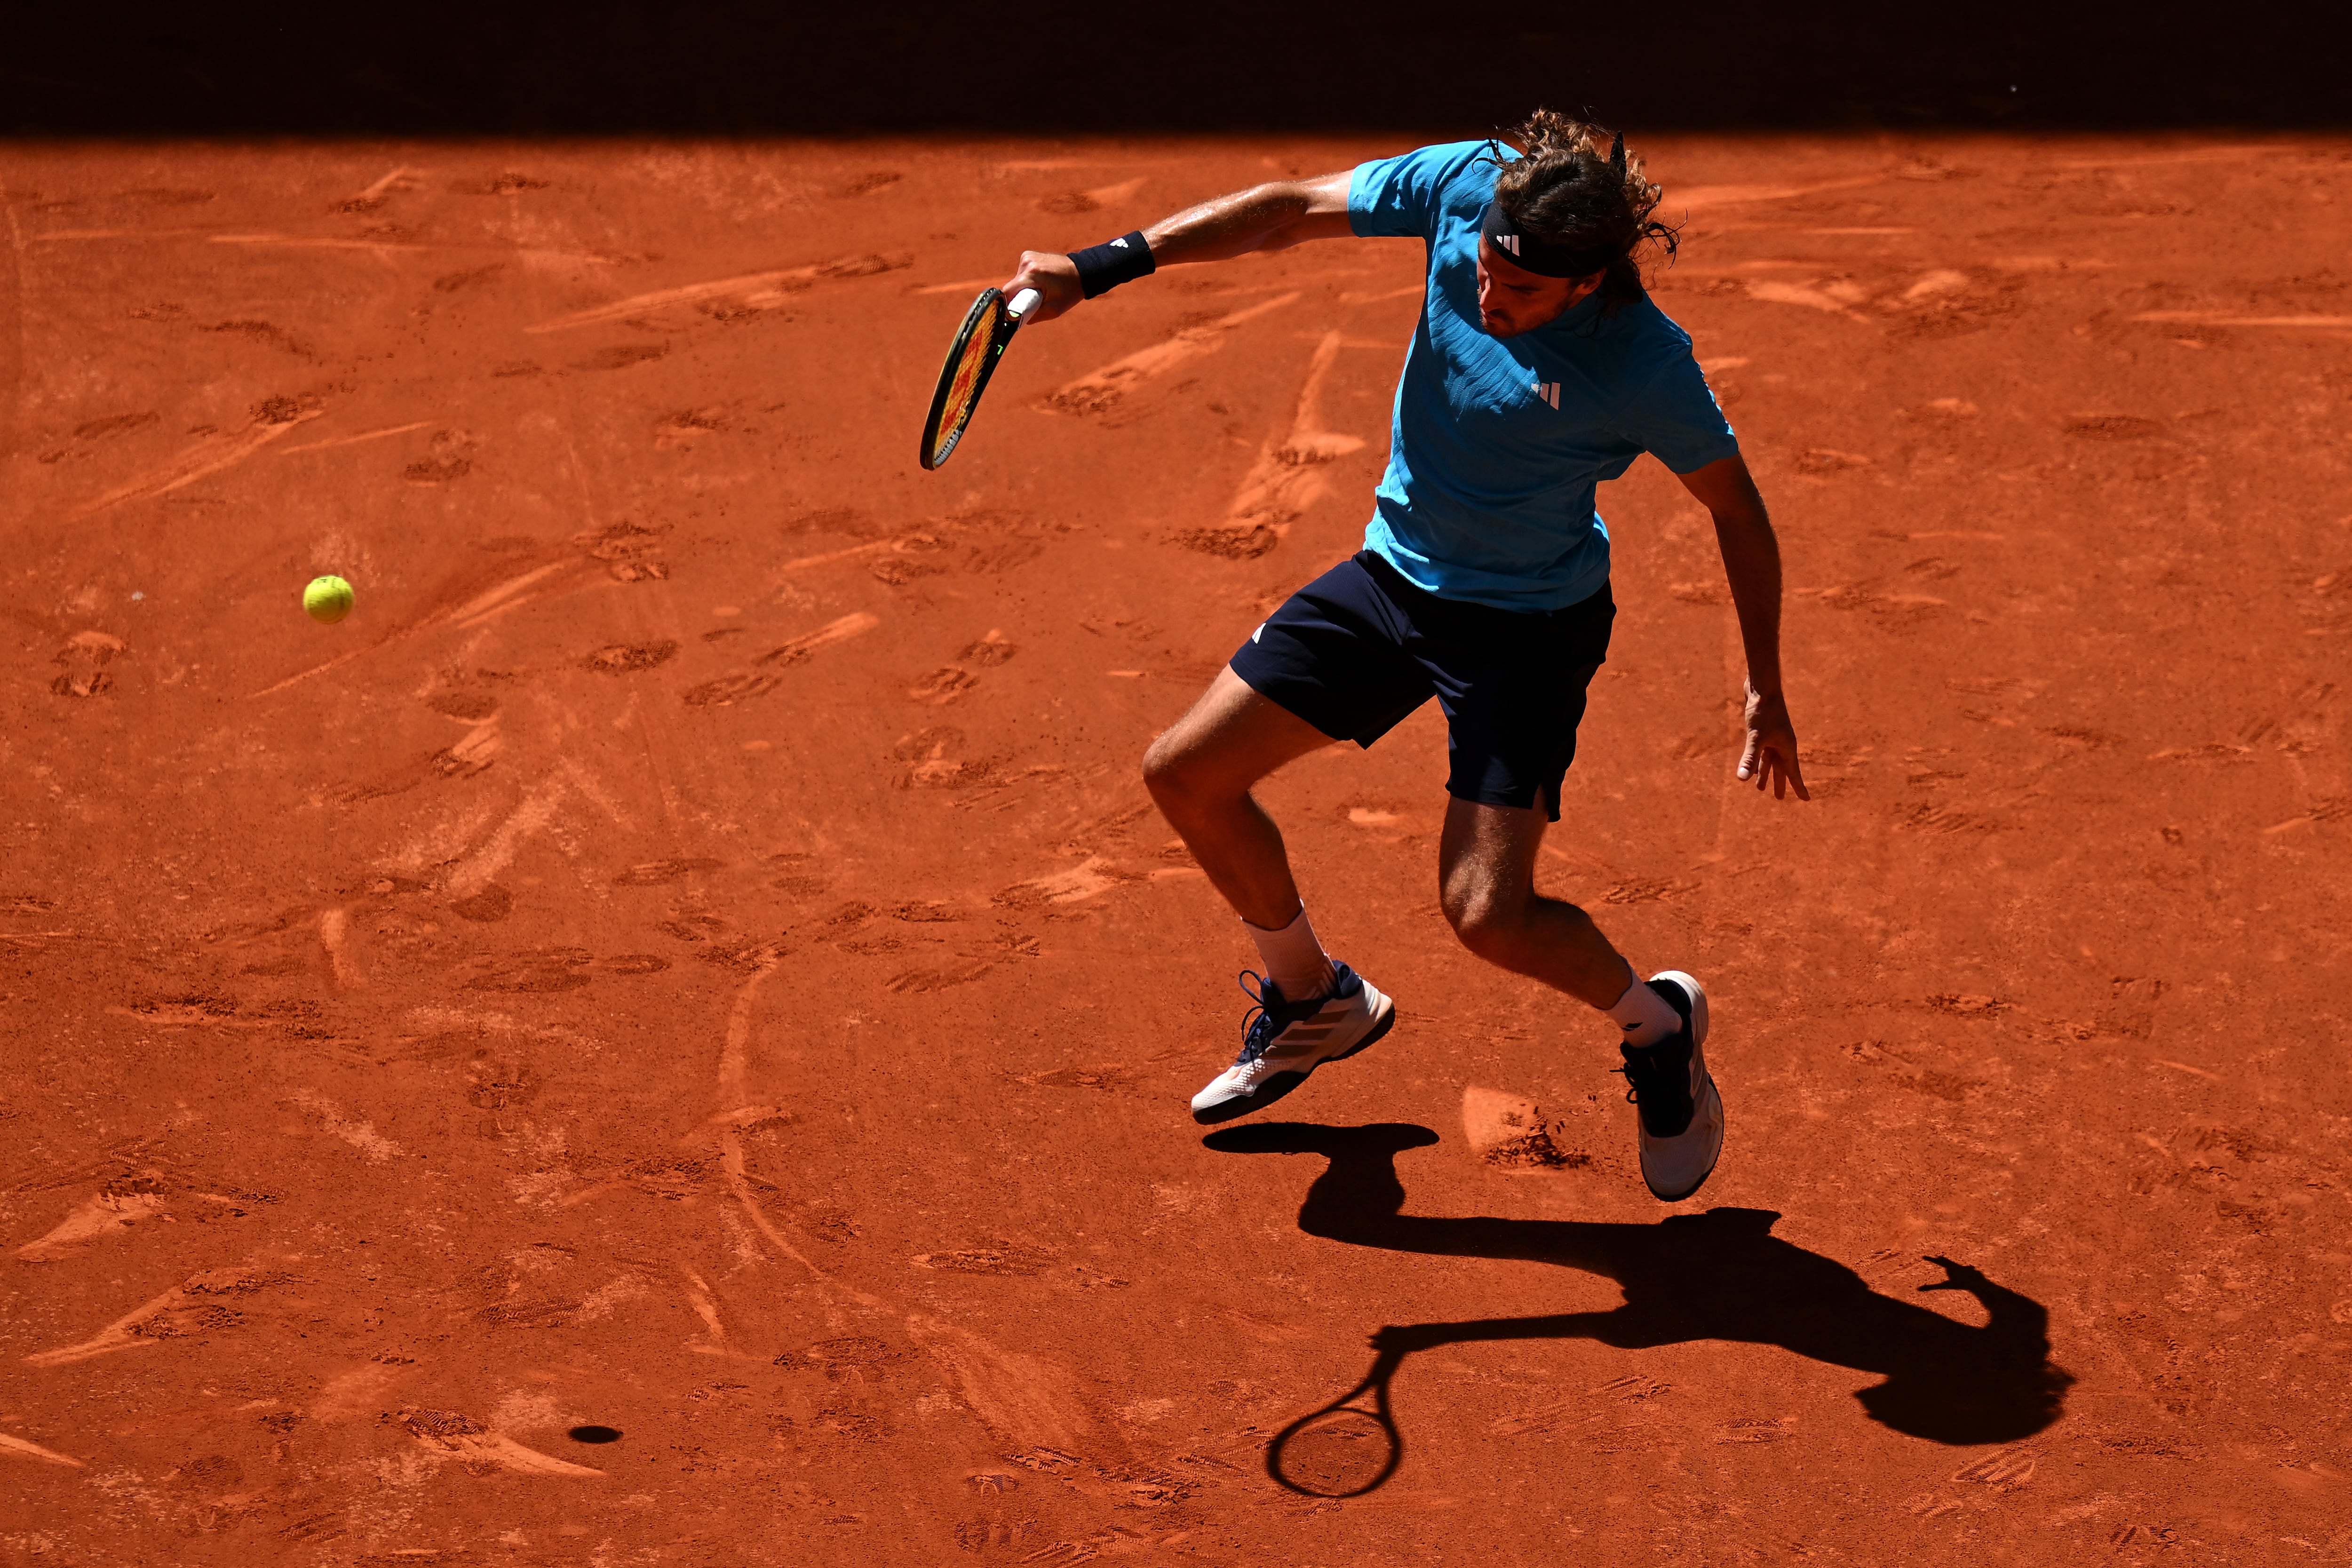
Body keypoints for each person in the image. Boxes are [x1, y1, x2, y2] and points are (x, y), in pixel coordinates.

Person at [998, 111, 1807, 1202]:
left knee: (1488, 914)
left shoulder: (1642, 363)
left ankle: (1656, 1023)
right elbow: (1286, 211)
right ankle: (1314, 998)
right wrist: (1094, 268)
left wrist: (1762, 684)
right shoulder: (1469, 187)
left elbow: (1739, 512)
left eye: (1520, 298)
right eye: (1484, 272)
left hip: (1527, 627)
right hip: (1394, 580)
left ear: (1586, 285)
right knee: (1185, 772)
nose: (1488, 299)